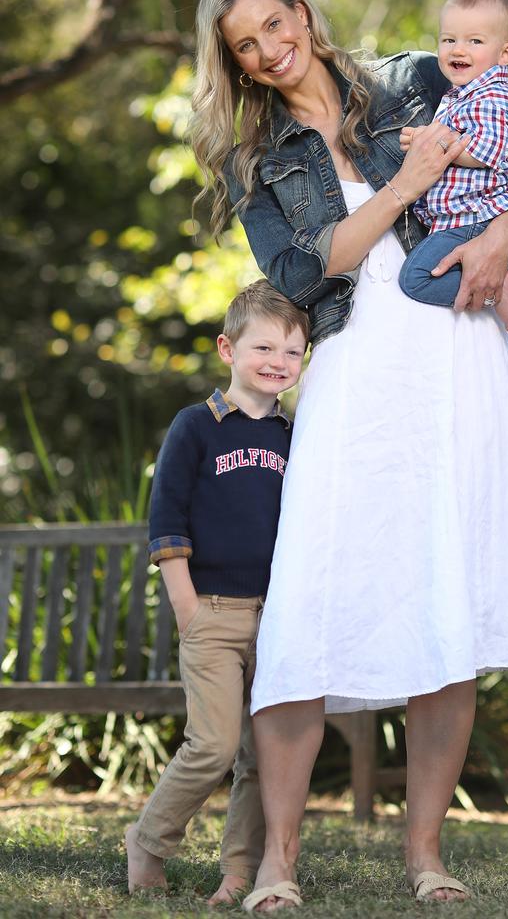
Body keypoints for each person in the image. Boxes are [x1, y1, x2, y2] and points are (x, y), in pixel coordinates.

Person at [191, 0, 508, 910]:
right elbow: (304, 269)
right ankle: (278, 861)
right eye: (246, 43)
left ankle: (426, 854)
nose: (269, 48)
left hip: (462, 358)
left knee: (448, 595)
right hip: (358, 371)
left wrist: (495, 242)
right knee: (312, 601)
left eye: (275, 23)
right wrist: (406, 182)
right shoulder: (256, 160)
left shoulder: (415, 79)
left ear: (304, 17)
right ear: (234, 62)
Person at [125, 280, 309, 905]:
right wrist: (187, 606)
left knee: (264, 756)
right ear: (228, 349)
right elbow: (167, 517)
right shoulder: (196, 427)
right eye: (265, 348)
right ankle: (149, 840)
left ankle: (239, 870)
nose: (278, 363)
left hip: (278, 618)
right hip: (213, 613)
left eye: (293, 352)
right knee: (211, 745)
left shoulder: (297, 436)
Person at [398, 0, 508, 432]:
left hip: (474, 224)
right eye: (449, 39)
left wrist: (436, 143)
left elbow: (486, 151)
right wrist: (424, 139)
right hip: (472, 226)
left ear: (505, 52)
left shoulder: (496, 95)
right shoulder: (460, 95)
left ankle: (495, 292)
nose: (458, 49)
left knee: (414, 279)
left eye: (475, 41)